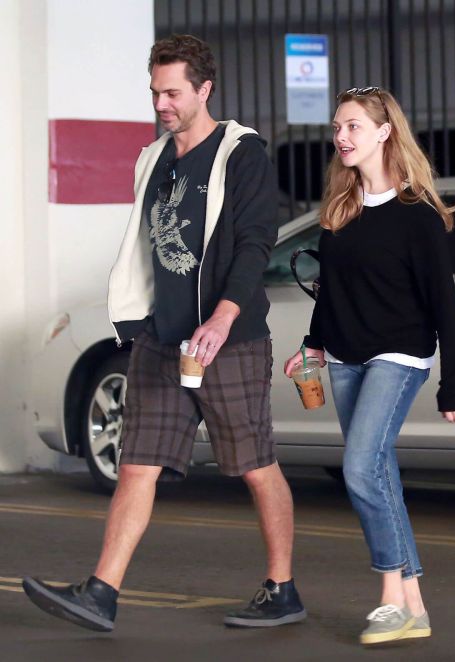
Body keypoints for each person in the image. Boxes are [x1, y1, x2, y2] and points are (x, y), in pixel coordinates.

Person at [23, 34, 306, 632]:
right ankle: (101, 592)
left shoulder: (240, 153)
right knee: (137, 465)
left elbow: (257, 242)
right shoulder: (152, 159)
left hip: (229, 340)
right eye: (155, 92)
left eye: (173, 92)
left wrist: (224, 315)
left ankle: (282, 588)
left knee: (256, 465)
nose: (161, 104)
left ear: (204, 89)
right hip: (161, 340)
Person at [285, 86, 455, 645]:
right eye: (338, 127)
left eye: (353, 127)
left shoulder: (418, 216)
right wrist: (313, 343)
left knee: (360, 466)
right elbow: (331, 290)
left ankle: (390, 596)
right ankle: (414, 603)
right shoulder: (338, 212)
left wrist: (452, 384)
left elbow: (445, 304)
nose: (341, 137)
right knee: (380, 473)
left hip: (400, 354)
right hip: (343, 356)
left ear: (385, 131)